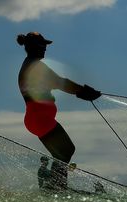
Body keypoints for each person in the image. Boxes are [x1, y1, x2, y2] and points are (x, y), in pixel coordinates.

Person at [17, 32, 101, 190]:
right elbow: (60, 82)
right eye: (43, 46)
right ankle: (57, 187)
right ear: (34, 47)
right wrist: (84, 92)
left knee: (62, 152)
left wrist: (82, 92)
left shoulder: (30, 64)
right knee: (66, 150)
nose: (45, 49)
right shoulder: (35, 67)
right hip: (40, 118)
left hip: (37, 118)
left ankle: (56, 186)